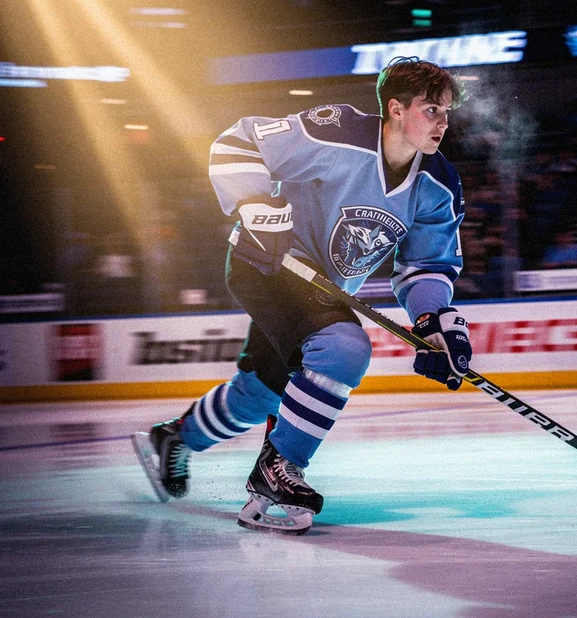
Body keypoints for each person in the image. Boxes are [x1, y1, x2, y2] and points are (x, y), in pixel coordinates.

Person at [131, 57, 472, 535]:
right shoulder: (339, 134)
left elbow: (425, 265)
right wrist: (254, 201)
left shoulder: (439, 184)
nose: (443, 122)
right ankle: (279, 468)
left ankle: (174, 438)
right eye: (432, 110)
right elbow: (238, 141)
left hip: (321, 289)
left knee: (261, 393)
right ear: (396, 109)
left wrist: (434, 319)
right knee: (342, 349)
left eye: (447, 112)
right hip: (267, 265)